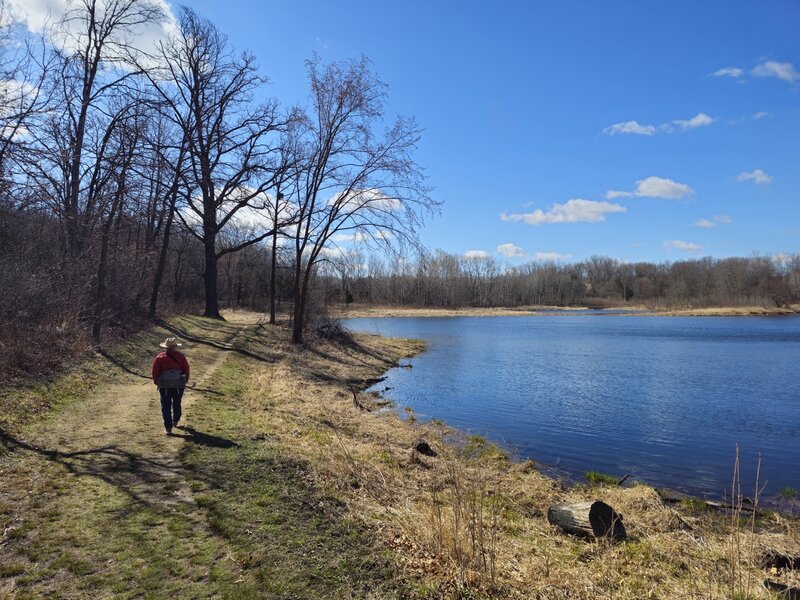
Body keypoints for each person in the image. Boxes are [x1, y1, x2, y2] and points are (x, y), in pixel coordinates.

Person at [152, 337, 190, 435]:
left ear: (166, 347)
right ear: (175, 347)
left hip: (164, 386)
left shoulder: (159, 358)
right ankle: (176, 420)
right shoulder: (181, 356)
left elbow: (155, 372)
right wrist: (184, 381)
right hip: (178, 385)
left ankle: (168, 428)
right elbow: (186, 369)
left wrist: (157, 382)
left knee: (166, 406)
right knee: (177, 403)